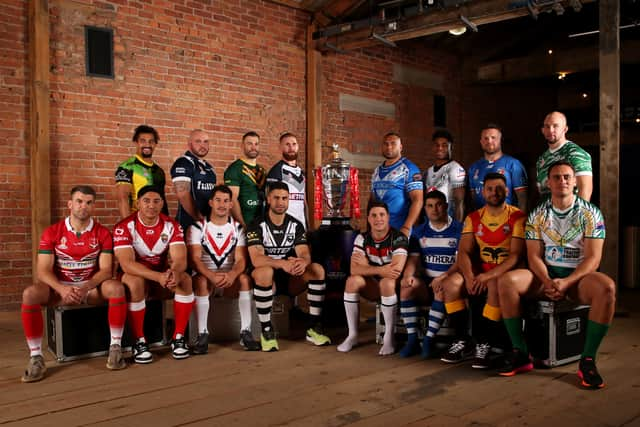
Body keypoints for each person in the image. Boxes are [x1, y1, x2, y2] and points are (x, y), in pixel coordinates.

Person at [496, 160, 615, 389]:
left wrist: (567, 282)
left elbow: (593, 259)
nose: (562, 181)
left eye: (567, 177)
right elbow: (534, 257)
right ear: (548, 183)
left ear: (575, 182)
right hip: (546, 278)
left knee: (607, 288)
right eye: (557, 177)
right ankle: (521, 354)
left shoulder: (591, 214)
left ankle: (587, 360)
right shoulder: (537, 214)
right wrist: (548, 281)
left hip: (577, 280)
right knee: (507, 281)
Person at [20, 186, 127, 382]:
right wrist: (62, 289)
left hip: (90, 288)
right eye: (79, 201)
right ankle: (36, 357)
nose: (83, 206)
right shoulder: (52, 232)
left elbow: (105, 270)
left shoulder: (102, 233)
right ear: (70, 204)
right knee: (30, 294)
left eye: (88, 202)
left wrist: (85, 287)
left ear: (93, 206)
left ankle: (115, 348)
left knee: (116, 288)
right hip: (60, 289)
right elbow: (42, 270)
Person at [439, 173, 526, 369]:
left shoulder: (518, 216)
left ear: (507, 191)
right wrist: (469, 277)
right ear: (482, 191)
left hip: (502, 274)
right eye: (489, 189)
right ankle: (463, 341)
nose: (494, 193)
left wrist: (488, 276)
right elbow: (463, 251)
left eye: (499, 188)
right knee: (451, 284)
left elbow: (515, 256)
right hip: (480, 272)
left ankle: (484, 343)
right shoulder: (474, 217)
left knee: (495, 283)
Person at [246, 181, 331, 351]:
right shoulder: (256, 225)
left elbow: (304, 253)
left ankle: (313, 327)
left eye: (284, 198)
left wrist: (302, 262)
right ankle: (267, 331)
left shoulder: (296, 224)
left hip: (290, 279)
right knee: (264, 271)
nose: (280, 202)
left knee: (316, 270)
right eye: (276, 198)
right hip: (267, 280)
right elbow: (256, 259)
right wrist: (281, 263)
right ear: (269, 199)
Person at [113, 185, 194, 363]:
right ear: (138, 204)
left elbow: (180, 259)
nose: (152, 205)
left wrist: (174, 272)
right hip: (137, 277)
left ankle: (178, 337)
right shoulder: (124, 226)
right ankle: (139, 341)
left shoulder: (172, 225)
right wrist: (158, 277)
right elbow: (127, 264)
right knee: (135, 282)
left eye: (156, 201)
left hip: (162, 277)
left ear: (162, 203)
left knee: (185, 279)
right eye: (146, 201)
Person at [187, 185, 260, 353]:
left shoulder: (238, 229)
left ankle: (246, 332)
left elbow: (241, 259)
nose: (222, 204)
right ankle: (202, 334)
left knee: (244, 279)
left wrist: (233, 274)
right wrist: (211, 275)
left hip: (229, 281)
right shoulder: (197, 227)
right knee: (200, 280)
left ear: (231, 205)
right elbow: (195, 259)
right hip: (207, 279)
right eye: (218, 200)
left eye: (226, 201)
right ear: (211, 203)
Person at [337, 200, 409, 356]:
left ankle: (389, 336)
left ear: (388, 217)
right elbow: (354, 269)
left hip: (395, 289)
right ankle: (353, 335)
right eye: (374, 215)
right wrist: (380, 269)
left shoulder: (399, 238)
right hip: (373, 285)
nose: (378, 219)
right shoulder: (362, 238)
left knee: (387, 281)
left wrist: (367, 268)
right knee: (352, 281)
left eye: (382, 215)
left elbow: (396, 270)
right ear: (368, 219)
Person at [398, 190, 463, 359]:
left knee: (442, 287)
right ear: (425, 209)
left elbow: (461, 262)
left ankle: (428, 340)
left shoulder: (459, 229)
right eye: (430, 206)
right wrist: (408, 275)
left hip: (448, 283)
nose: (435, 209)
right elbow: (412, 260)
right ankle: (412, 339)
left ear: (446, 206)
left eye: (439, 205)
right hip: (427, 284)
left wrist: (443, 277)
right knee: (406, 287)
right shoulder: (419, 231)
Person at [371, 132, 424, 236]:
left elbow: (418, 200)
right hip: (379, 231)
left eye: (393, 143)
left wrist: (407, 227)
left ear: (400, 147)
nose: (389, 147)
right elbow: (372, 201)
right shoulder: (376, 171)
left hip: (400, 229)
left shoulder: (410, 169)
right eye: (386, 144)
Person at [467, 124, 528, 213]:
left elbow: (523, 199)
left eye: (493, 137)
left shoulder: (513, 164)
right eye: (486, 138)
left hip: (507, 221)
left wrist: (521, 222)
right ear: (481, 141)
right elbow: (473, 200)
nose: (489, 141)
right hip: (482, 222)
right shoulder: (474, 167)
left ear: (500, 140)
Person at [536, 111, 593, 202]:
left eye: (555, 126)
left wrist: (577, 215)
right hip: (548, 213)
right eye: (547, 126)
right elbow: (542, 192)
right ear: (542, 130)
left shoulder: (576, 154)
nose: (550, 130)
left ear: (565, 129)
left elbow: (585, 191)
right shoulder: (541, 159)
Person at [115, 124, 168, 218]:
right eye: (143, 141)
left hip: (158, 223)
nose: (147, 145)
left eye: (151, 141)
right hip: (138, 222)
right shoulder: (127, 167)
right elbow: (123, 199)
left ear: (155, 144)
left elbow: (162, 199)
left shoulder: (159, 171)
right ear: (136, 143)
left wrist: (167, 222)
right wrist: (128, 226)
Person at [170, 129, 217, 232]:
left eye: (206, 141)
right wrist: (199, 219)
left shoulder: (209, 167)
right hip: (188, 225)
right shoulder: (183, 163)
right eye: (198, 141)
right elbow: (182, 194)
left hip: (208, 225)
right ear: (189, 144)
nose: (203, 145)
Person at [224, 131, 267, 228]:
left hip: (261, 224)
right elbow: (232, 199)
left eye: (256, 144)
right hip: (243, 224)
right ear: (242, 146)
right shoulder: (235, 168)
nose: (253, 147)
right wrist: (242, 225)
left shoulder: (262, 170)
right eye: (249, 143)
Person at [422, 130, 466, 222]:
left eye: (444, 145)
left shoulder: (456, 169)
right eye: (437, 145)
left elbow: (459, 202)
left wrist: (457, 227)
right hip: (430, 223)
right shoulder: (428, 171)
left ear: (451, 147)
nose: (440, 148)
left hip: (447, 223)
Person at [266, 132, 308, 229]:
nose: (291, 148)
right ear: (280, 147)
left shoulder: (301, 173)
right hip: (283, 226)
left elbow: (304, 202)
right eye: (287, 144)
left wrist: (308, 225)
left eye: (294, 144)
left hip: (301, 226)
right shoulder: (276, 171)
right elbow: (270, 202)